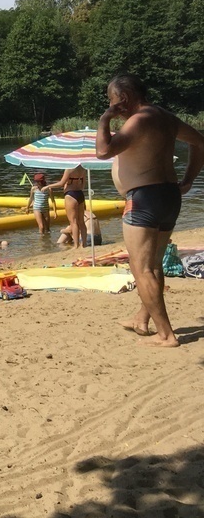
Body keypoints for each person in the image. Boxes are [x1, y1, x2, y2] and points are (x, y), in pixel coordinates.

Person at [96, 73, 204, 347]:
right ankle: (142, 318)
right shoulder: (165, 117)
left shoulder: (139, 120)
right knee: (153, 264)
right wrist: (189, 179)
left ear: (124, 98)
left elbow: (103, 151)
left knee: (141, 268)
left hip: (144, 199)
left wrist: (104, 120)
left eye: (112, 101)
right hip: (168, 196)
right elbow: (200, 141)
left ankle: (166, 334)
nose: (112, 107)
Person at [47, 165, 88, 247]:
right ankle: (84, 244)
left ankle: (76, 245)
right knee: (81, 222)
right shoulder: (83, 169)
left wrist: (48, 186)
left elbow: (61, 183)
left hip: (70, 194)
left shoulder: (69, 169)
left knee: (73, 222)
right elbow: (83, 184)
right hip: (80, 193)